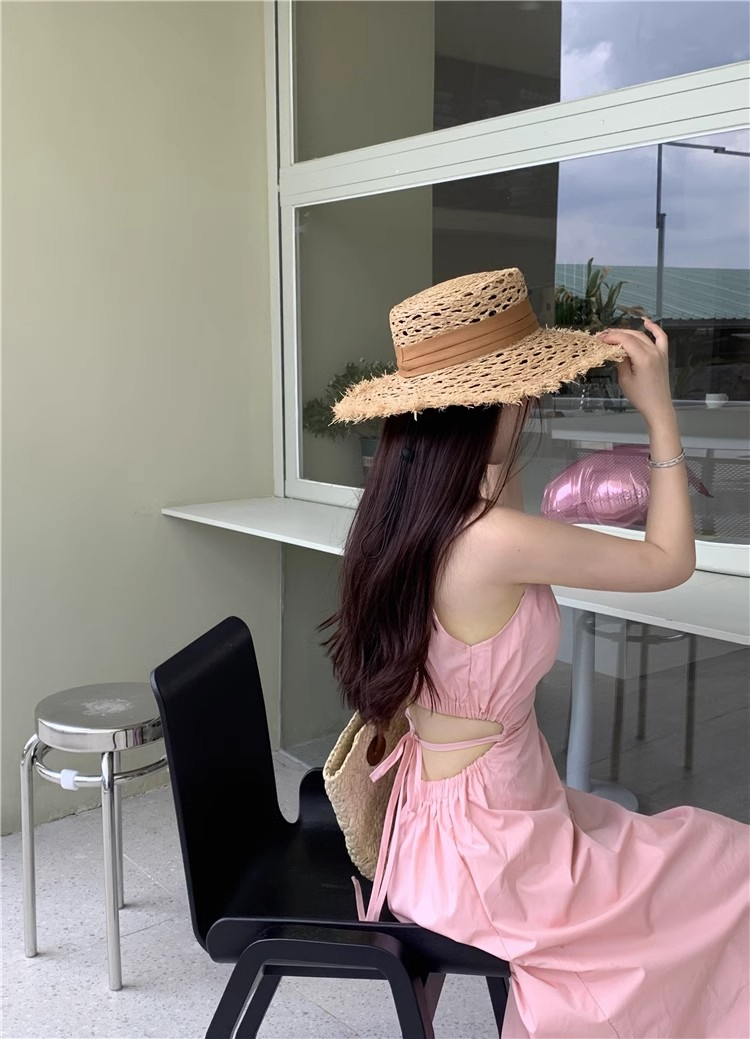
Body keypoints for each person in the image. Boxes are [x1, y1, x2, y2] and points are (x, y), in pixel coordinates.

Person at [323, 269, 749, 1039]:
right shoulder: (492, 539)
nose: (534, 403)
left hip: (454, 826)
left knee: (694, 851)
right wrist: (660, 415)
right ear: (489, 405)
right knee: (728, 865)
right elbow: (669, 560)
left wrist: (497, 411)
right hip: (489, 853)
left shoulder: (404, 516)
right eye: (524, 391)